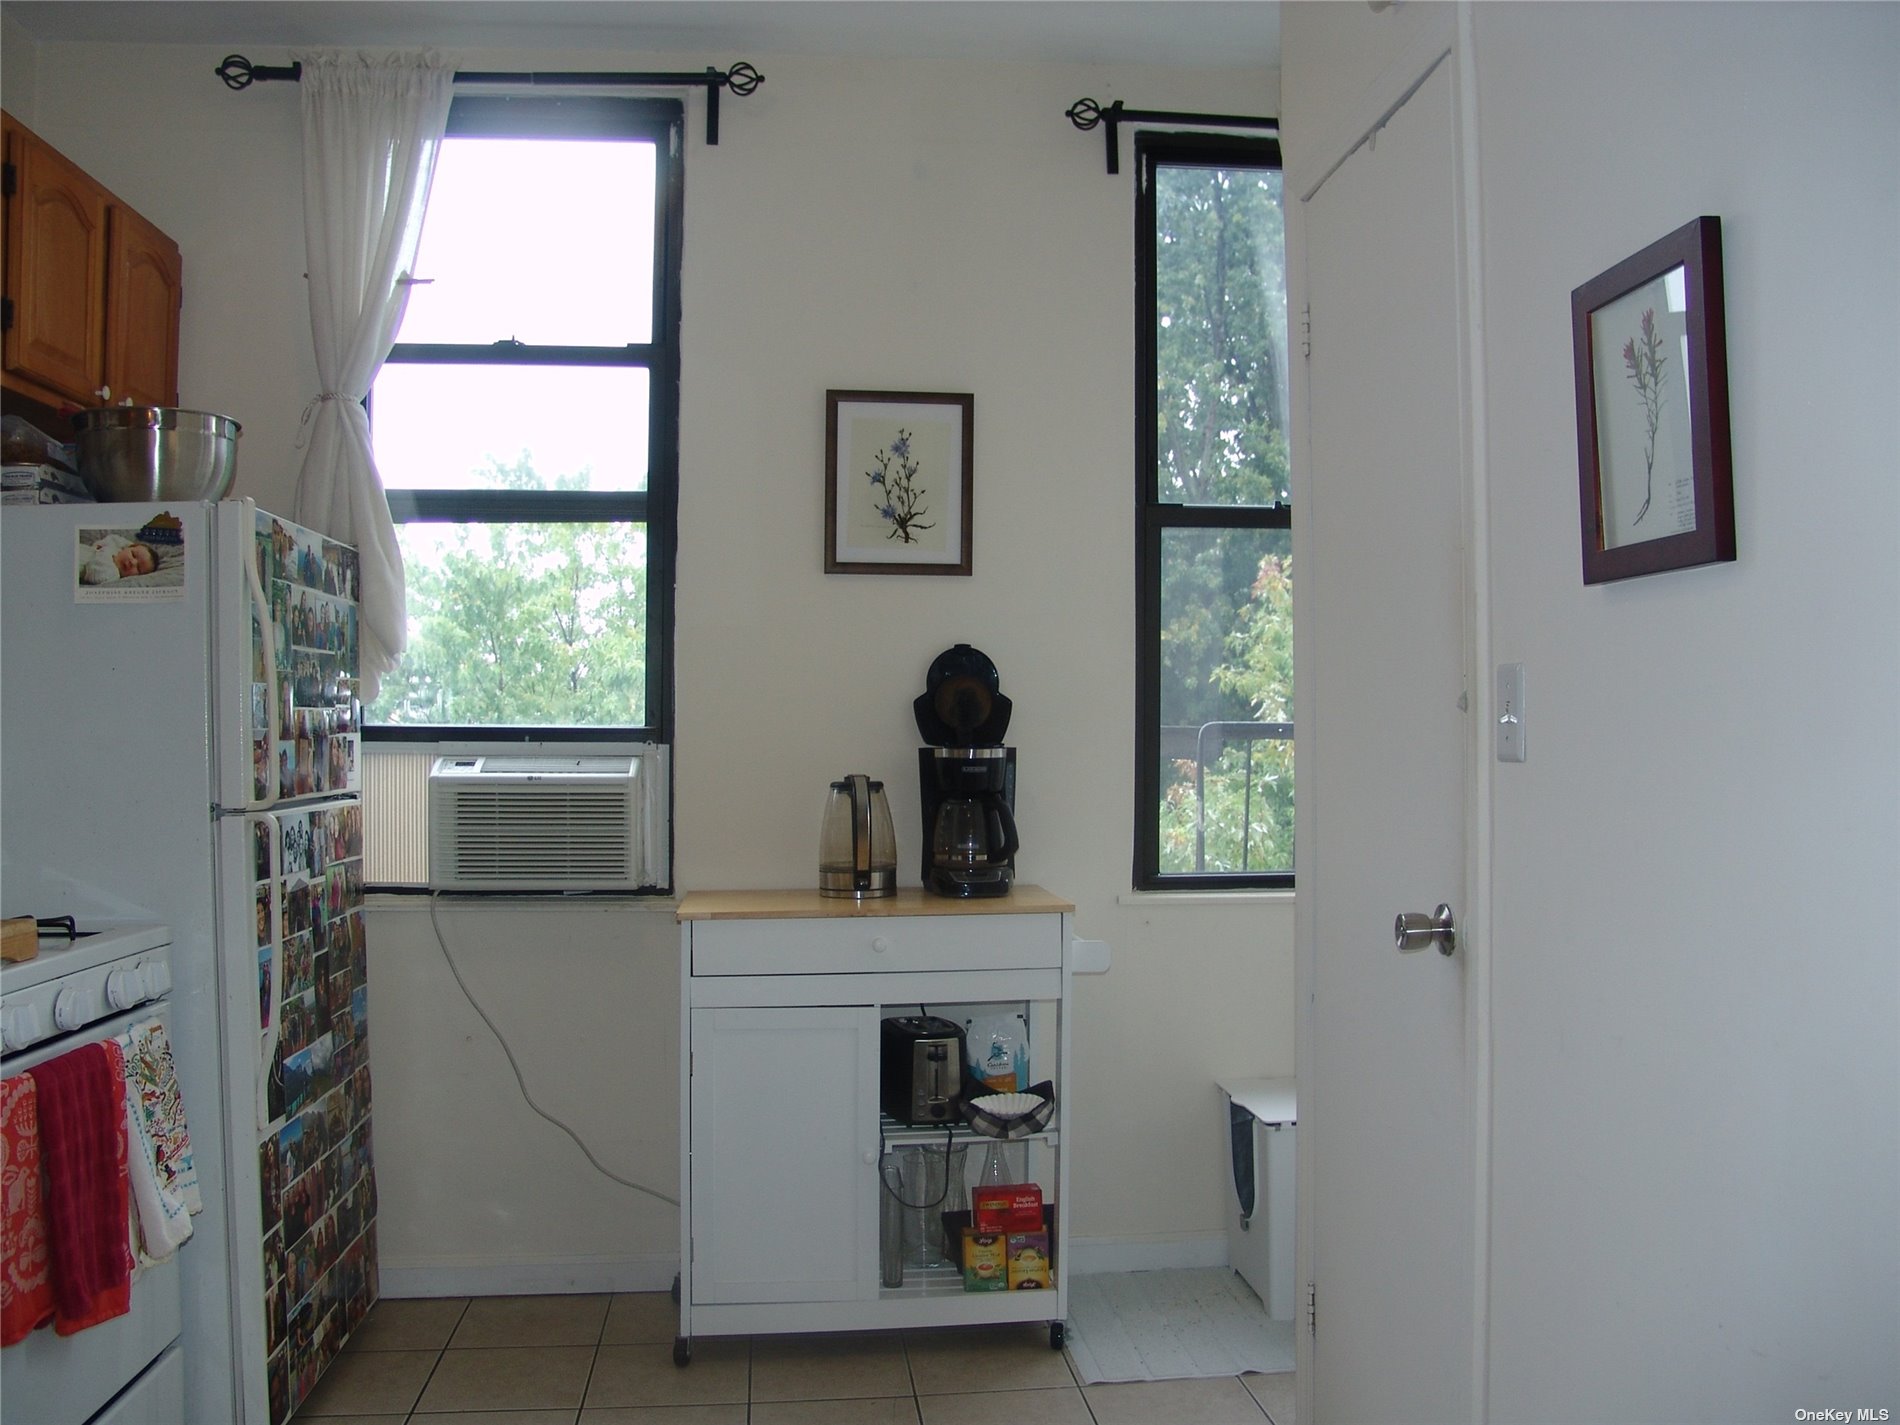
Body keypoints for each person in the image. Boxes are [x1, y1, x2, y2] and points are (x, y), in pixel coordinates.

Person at [79, 534, 157, 584]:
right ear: (126, 548)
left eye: (138, 568)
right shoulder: (115, 549)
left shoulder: (113, 574)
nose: (133, 562)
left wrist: (106, 551)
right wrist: (128, 545)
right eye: (133, 554)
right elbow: (113, 538)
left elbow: (95, 573)